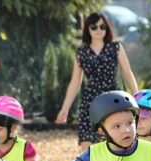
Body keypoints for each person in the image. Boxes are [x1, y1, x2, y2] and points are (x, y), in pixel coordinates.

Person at [56, 12, 138, 151]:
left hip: (113, 100)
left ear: (107, 28)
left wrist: (137, 97)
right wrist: (65, 109)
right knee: (87, 144)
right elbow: (75, 82)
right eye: (94, 27)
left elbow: (127, 73)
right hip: (90, 102)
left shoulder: (115, 47)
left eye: (102, 26)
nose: (98, 30)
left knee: (114, 142)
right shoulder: (81, 52)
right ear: (88, 29)